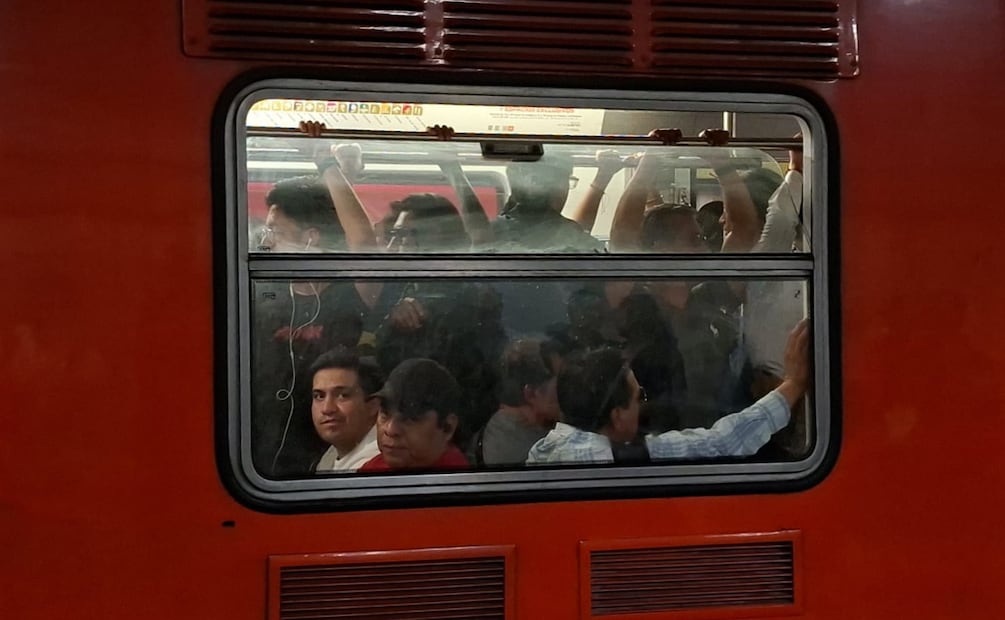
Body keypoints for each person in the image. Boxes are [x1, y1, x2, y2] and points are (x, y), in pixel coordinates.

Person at [526, 319, 810, 465]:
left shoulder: (542, 450)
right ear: (617, 416)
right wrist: (794, 383)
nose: (644, 404)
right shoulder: (610, 458)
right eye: (639, 397)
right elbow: (721, 443)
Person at [360, 358, 470, 471]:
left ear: (448, 428)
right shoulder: (373, 468)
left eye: (409, 418)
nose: (390, 430)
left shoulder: (460, 479)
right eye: (385, 414)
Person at [470, 339, 562, 466]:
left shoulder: (496, 429)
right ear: (530, 393)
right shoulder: (539, 450)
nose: (568, 388)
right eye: (561, 381)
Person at [492, 152, 604, 252]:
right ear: (557, 187)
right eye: (567, 181)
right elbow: (608, 255)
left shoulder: (491, 232)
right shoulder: (571, 237)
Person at [309, 348, 384, 473]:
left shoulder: (380, 465)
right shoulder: (331, 456)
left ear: (373, 406)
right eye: (319, 396)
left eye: (342, 395)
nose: (327, 409)